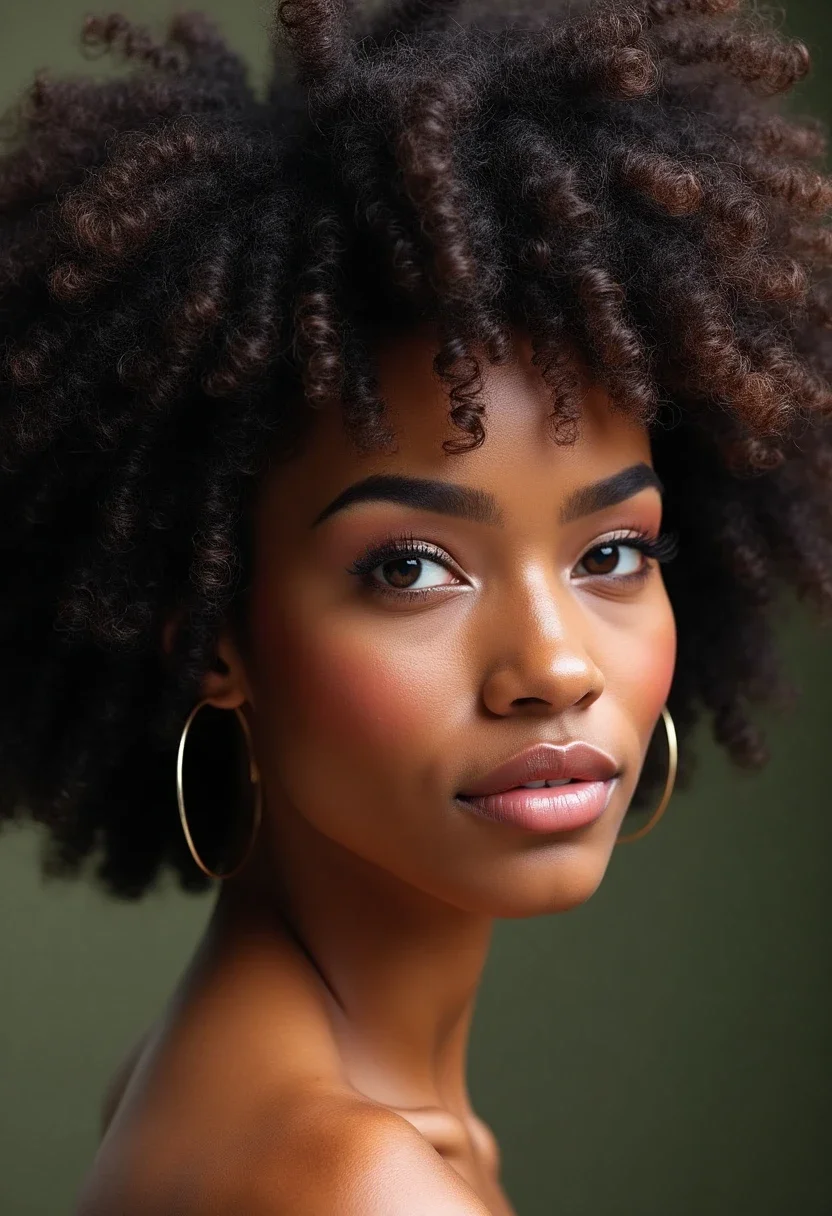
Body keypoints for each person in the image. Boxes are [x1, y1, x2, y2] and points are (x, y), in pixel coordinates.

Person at [2, 0, 831, 1211]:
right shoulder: (353, 1180)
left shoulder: (235, 1081)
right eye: (409, 568)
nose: (553, 664)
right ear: (213, 632)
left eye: (610, 551)